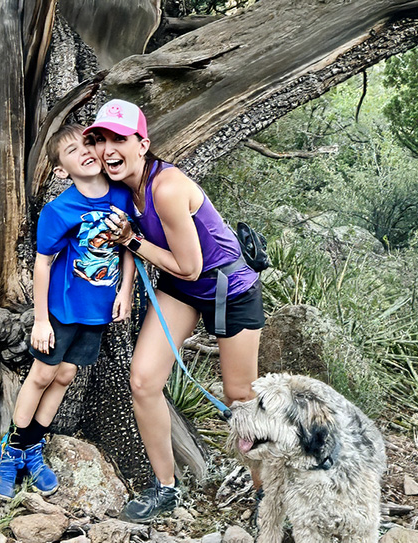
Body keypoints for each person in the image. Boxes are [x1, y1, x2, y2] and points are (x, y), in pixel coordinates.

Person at [84, 99, 265, 522]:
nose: (109, 148)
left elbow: (190, 265)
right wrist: (126, 284)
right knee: (144, 381)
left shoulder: (165, 189)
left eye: (119, 139)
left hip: (228, 288)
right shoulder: (122, 189)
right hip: (182, 289)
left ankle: (266, 493)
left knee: (241, 397)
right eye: (101, 139)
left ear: (142, 143)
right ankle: (166, 487)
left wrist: (131, 241)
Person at [0, 123, 136, 500]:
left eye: (88, 143)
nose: (85, 151)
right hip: (62, 307)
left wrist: (126, 290)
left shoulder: (122, 195)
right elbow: (42, 263)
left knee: (67, 374)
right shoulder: (60, 209)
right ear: (60, 170)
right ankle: (10, 451)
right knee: (42, 374)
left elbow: (131, 246)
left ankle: (31, 449)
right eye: (72, 151)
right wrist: (40, 319)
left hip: (98, 309)